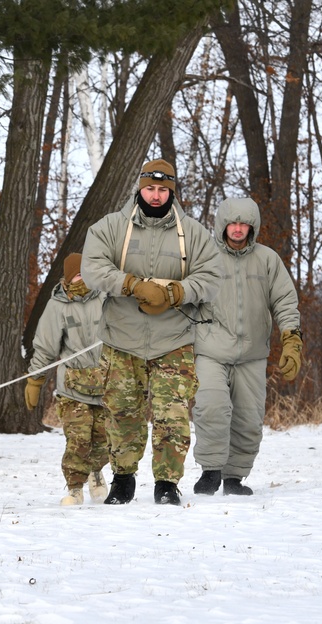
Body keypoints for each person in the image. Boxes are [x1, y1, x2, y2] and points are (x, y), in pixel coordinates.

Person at [81, 159, 221, 505]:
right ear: (139, 188)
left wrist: (176, 293)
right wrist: (130, 284)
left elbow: (213, 278)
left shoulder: (195, 234)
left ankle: (167, 484)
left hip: (174, 340)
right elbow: (93, 269)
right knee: (122, 412)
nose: (156, 196)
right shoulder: (111, 227)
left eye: (163, 190)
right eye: (150, 188)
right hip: (121, 338)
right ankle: (123, 479)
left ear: (172, 192)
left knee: (172, 416)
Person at [191, 198, 302, 496]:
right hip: (211, 349)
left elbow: (285, 300)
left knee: (248, 417)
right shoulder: (204, 256)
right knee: (211, 408)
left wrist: (291, 338)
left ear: (252, 227)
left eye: (244, 224)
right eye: (233, 223)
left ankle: (234, 477)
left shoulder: (267, 259)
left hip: (253, 353)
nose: (238, 229)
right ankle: (211, 471)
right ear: (222, 225)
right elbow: (185, 295)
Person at [25, 253, 109, 506]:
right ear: (68, 276)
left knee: (104, 437)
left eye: (86, 271)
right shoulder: (58, 305)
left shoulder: (107, 297)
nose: (81, 276)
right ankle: (75, 488)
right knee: (78, 439)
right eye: (77, 272)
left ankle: (96, 473)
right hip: (73, 388)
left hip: (107, 385)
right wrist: (35, 380)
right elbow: (45, 347)